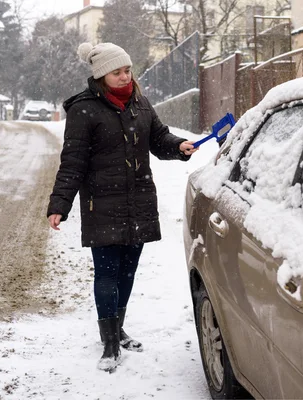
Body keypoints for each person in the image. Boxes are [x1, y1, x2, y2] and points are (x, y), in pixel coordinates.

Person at [47, 42, 197, 373]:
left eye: (127, 70)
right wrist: (60, 203)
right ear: (102, 76)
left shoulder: (140, 104)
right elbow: (73, 163)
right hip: (101, 203)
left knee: (127, 272)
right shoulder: (84, 110)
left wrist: (179, 147)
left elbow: (159, 140)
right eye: (117, 72)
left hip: (139, 201)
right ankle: (110, 344)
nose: (125, 76)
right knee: (107, 272)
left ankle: (119, 327)